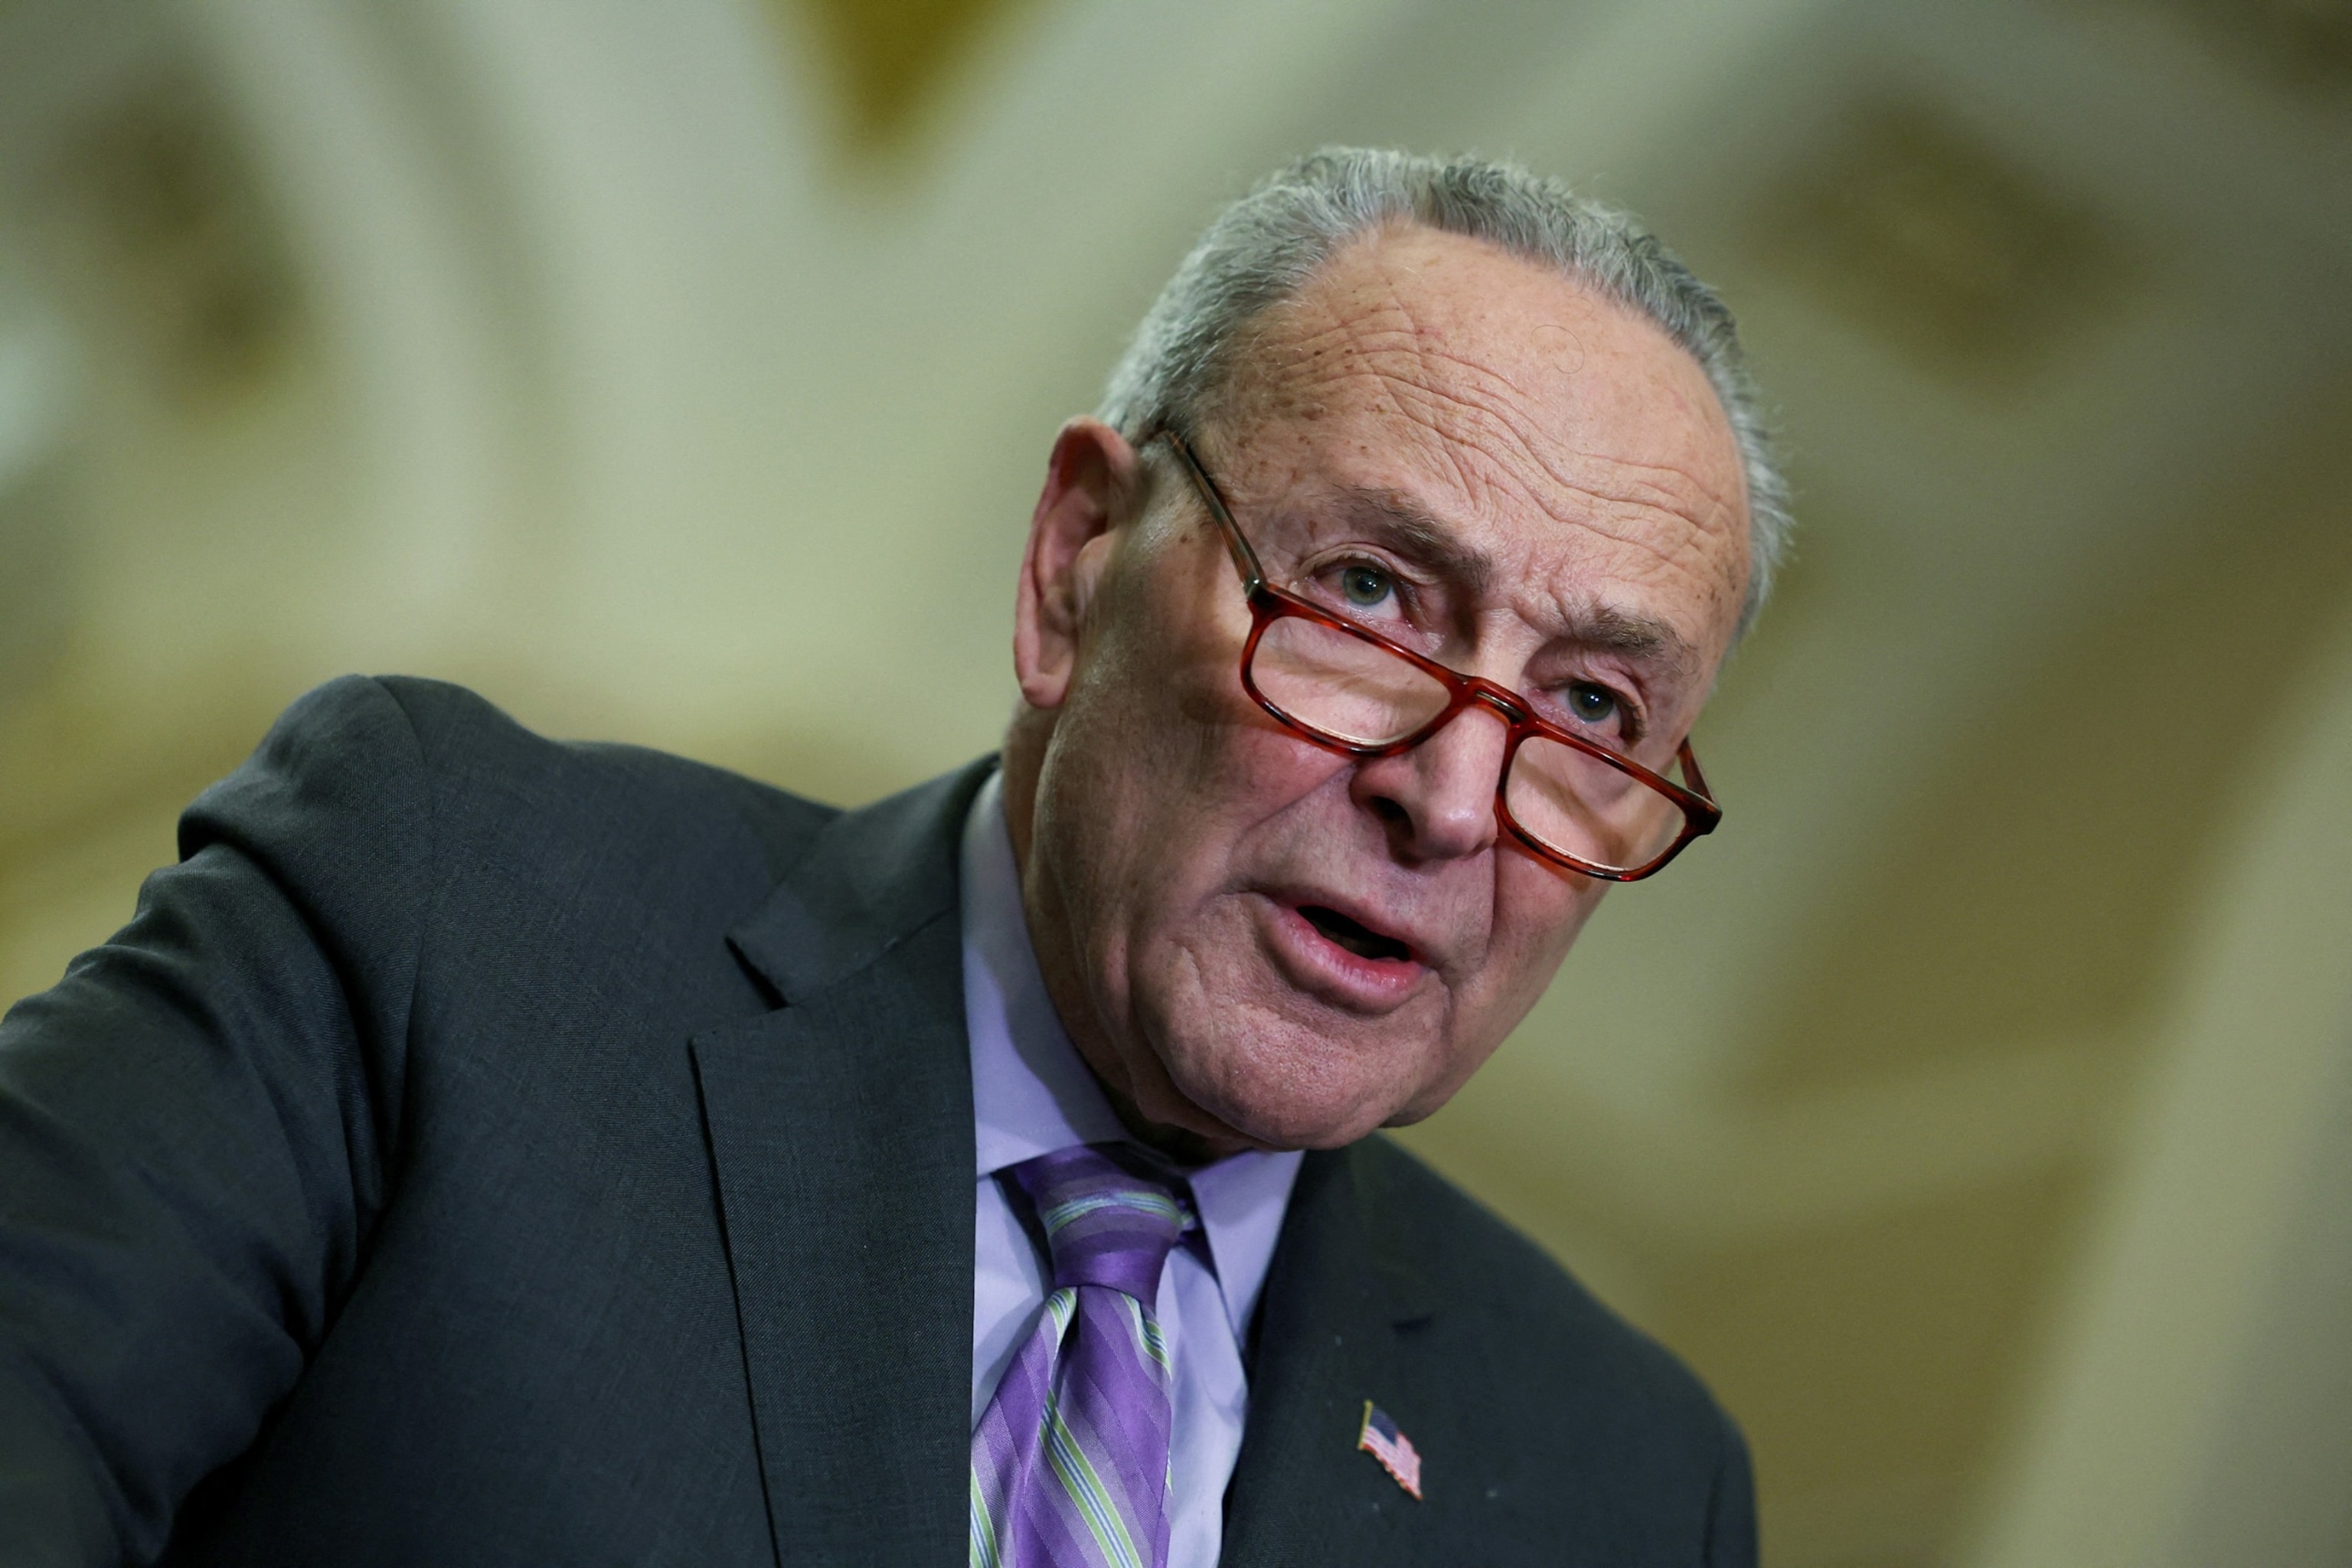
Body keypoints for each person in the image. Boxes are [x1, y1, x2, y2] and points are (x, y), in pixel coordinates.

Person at [0, 148, 1789, 1566]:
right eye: (1372, 596)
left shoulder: (1630, 1477)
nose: (1460, 796)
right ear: (1074, 563)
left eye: (1598, 712)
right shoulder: (441, 909)